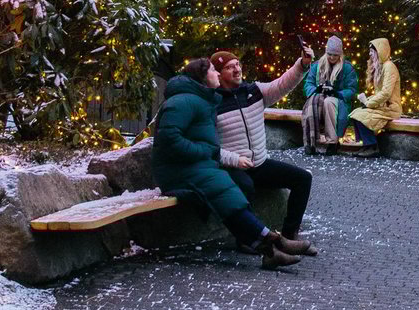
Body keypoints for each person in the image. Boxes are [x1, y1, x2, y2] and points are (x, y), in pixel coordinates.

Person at [150, 58, 314, 269]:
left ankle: (273, 246)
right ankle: (271, 242)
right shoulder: (184, 102)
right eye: (215, 70)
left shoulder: (203, 99)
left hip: (198, 166)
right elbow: (169, 140)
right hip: (182, 171)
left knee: (228, 194)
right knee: (229, 191)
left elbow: (281, 85)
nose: (217, 74)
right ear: (203, 77)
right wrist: (207, 152)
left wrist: (301, 64)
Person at [211, 45, 318, 249]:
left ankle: (288, 236)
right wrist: (234, 160)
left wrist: (302, 64)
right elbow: (210, 146)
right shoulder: (212, 104)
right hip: (233, 167)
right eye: (230, 67)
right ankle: (246, 240)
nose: (237, 69)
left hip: (259, 164)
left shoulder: (254, 92)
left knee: (303, 178)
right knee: (244, 186)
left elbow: (282, 84)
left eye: (238, 64)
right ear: (218, 74)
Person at [341, 38, 402, 158]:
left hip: (391, 108)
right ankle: (366, 145)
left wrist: (368, 104)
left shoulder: (389, 67)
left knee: (360, 116)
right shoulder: (381, 66)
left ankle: (372, 146)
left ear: (379, 51)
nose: (369, 54)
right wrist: (367, 100)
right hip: (382, 106)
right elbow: (380, 93)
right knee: (355, 113)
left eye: (371, 51)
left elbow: (386, 93)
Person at [301, 35, 359, 155]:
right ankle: (310, 142)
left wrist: (336, 93)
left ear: (340, 55)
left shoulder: (347, 68)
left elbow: (352, 89)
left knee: (328, 102)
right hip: (319, 96)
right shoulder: (317, 65)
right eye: (330, 54)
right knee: (312, 102)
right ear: (326, 53)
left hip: (339, 100)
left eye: (335, 55)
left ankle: (333, 142)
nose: (332, 57)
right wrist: (316, 90)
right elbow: (308, 84)